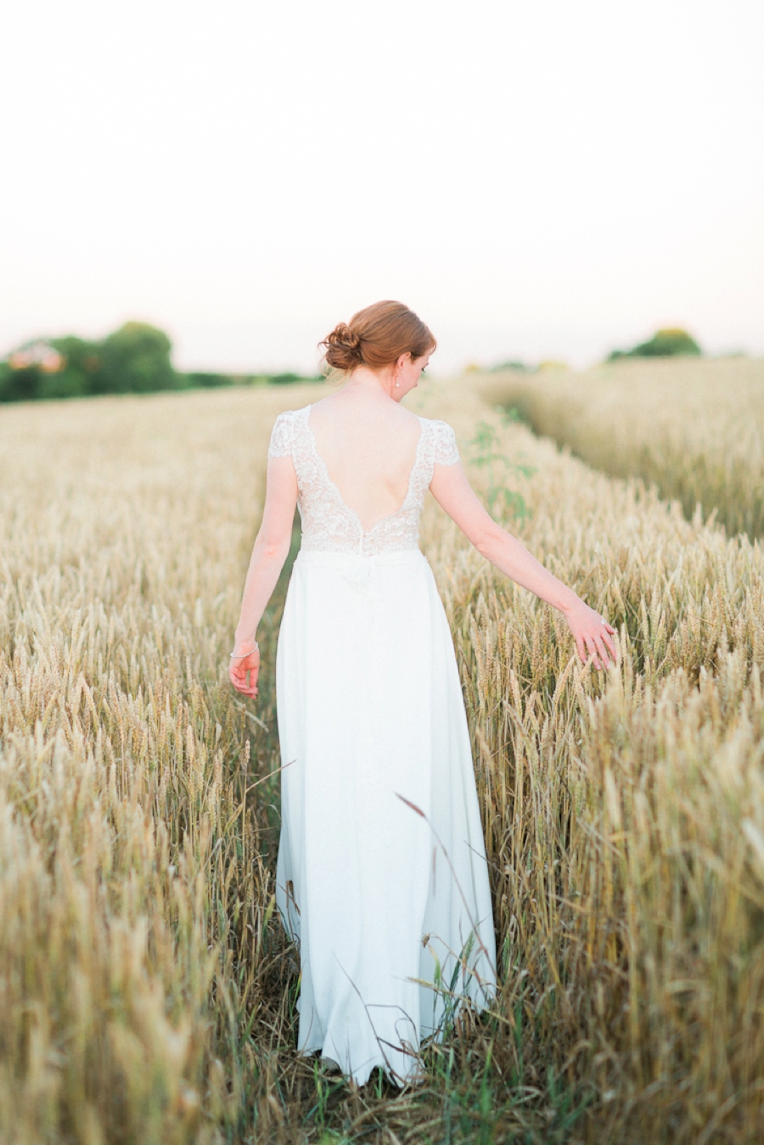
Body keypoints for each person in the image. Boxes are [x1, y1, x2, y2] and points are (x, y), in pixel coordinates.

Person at [229, 300, 617, 1087]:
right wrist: (570, 603)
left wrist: (243, 637)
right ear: (400, 360)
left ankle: (344, 991)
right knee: (406, 781)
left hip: (322, 617)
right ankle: (416, 991)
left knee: (337, 784)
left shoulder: (293, 429)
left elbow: (274, 540)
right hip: (406, 617)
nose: (421, 381)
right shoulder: (427, 438)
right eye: (422, 366)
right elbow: (488, 536)